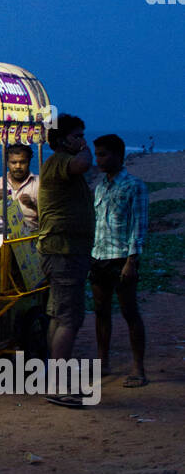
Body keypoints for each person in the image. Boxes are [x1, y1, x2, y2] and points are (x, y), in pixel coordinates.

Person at [37, 115, 95, 406]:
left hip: (65, 251)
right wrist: (86, 150)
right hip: (63, 252)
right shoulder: (60, 161)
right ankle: (58, 386)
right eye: (77, 136)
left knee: (59, 316)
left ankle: (54, 379)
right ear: (61, 141)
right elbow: (84, 164)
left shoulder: (59, 165)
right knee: (70, 319)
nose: (82, 140)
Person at [90, 134, 149, 386]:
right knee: (101, 312)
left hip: (122, 258)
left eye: (103, 154)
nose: (98, 159)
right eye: (97, 154)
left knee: (129, 312)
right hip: (99, 256)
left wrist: (132, 261)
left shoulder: (134, 186)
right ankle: (103, 362)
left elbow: (139, 226)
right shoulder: (101, 186)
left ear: (118, 155)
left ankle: (138, 368)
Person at [0, 143, 39, 231]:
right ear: (7, 163)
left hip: (31, 235)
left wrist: (32, 205)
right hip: (1, 235)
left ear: (29, 162)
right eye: (14, 162)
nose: (18, 166)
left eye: (22, 162)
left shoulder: (40, 184)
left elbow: (52, 218)